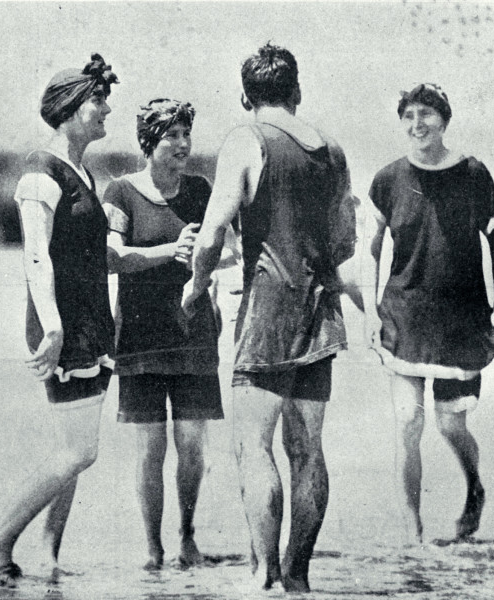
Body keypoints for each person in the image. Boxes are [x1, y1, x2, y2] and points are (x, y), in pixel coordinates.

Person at [181, 43, 356, 592]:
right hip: (320, 312)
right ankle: (299, 577)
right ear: (297, 92)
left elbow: (211, 233)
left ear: (244, 96)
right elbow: (346, 241)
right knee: (307, 451)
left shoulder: (246, 139)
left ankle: (264, 575)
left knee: (252, 447)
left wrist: (197, 283)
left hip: (266, 312)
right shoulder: (332, 150)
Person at [0, 54, 119, 585]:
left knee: (71, 448)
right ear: (72, 110)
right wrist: (53, 327)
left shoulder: (83, 171)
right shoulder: (41, 170)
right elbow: (35, 254)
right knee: (80, 450)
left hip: (91, 324)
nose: (107, 110)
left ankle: (50, 557)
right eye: (98, 100)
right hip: (63, 324)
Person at [362, 83, 494, 544]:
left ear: (444, 120)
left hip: (461, 319)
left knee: (451, 423)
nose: (417, 124)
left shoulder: (473, 174)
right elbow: (369, 251)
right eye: (408, 116)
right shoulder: (388, 179)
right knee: (408, 423)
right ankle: (414, 531)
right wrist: (370, 311)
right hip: (403, 314)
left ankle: (475, 487)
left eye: (426, 114)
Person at [103, 99, 234, 570]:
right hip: (139, 336)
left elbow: (230, 250)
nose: (182, 145)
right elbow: (111, 256)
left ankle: (187, 536)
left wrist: (208, 265)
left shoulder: (201, 190)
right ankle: (152, 546)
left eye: (186, 135)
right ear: (147, 144)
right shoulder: (120, 192)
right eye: (170, 137)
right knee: (149, 452)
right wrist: (171, 251)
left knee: (193, 446)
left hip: (194, 332)